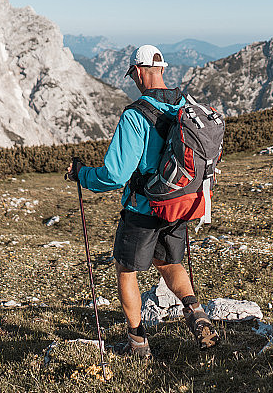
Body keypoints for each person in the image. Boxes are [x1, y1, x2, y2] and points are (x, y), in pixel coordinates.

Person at [65, 44, 219, 358]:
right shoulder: (186, 104)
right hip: (179, 202)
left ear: (138, 71)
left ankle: (137, 344)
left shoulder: (136, 114)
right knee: (169, 262)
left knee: (126, 269)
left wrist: (81, 174)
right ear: (161, 68)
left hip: (144, 206)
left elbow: (114, 174)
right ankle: (197, 314)